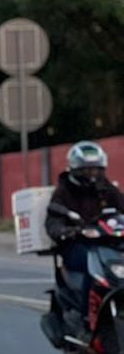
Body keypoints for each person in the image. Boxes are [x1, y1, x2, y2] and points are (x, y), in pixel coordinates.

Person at [44, 140, 124, 342]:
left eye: (96, 170)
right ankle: (84, 320)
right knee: (94, 268)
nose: (92, 175)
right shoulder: (64, 191)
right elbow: (53, 220)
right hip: (77, 245)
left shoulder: (107, 189)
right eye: (86, 170)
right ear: (74, 169)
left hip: (107, 242)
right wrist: (66, 231)